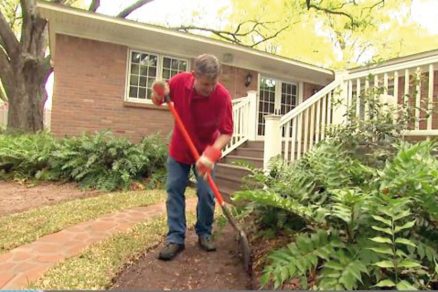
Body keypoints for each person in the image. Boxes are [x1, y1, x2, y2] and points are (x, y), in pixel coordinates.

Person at [151, 54, 233, 261]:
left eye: (213, 83)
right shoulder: (179, 82)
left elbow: (226, 132)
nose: (210, 88)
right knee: (174, 190)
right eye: (206, 84)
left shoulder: (222, 96)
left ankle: (204, 233)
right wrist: (157, 92)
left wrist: (211, 155)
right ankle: (175, 238)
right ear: (194, 75)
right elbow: (158, 99)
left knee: (206, 194)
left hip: (205, 152)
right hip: (180, 149)